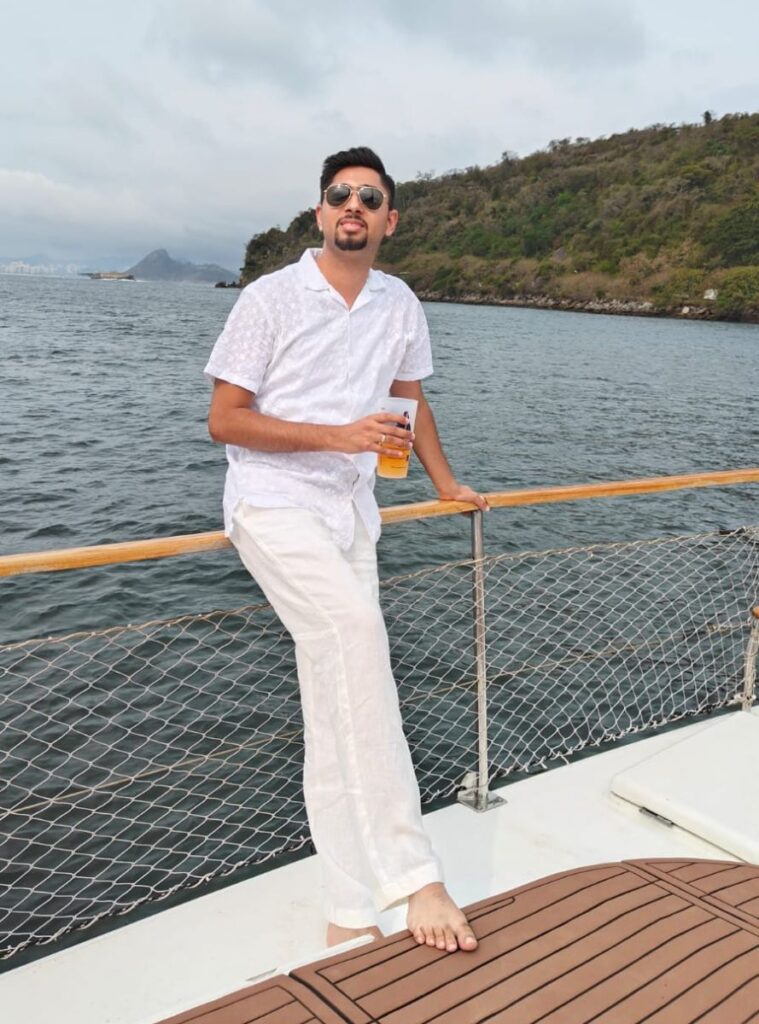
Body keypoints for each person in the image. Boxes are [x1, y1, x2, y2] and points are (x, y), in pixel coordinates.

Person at [205, 146, 489, 955]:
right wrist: (338, 435)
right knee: (360, 641)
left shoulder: (399, 303)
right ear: (320, 212)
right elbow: (225, 420)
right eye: (339, 196)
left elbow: (410, 399)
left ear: (388, 220)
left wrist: (442, 482)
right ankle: (413, 877)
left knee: (335, 706)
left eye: (369, 198)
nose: (353, 207)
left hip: (350, 510)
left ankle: (346, 905)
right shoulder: (269, 298)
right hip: (272, 503)